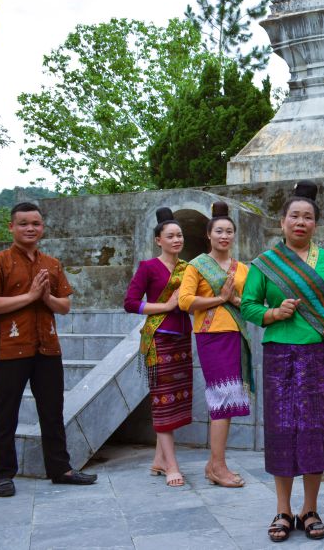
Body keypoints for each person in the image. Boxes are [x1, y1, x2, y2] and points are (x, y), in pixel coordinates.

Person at [241, 180, 324, 543]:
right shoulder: (265, 264)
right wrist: (274, 313)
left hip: (319, 357)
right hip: (279, 357)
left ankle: (309, 508)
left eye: (307, 217)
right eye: (294, 216)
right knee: (282, 433)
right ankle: (282, 510)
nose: (300, 222)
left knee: (314, 434)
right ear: (283, 221)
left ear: (315, 224)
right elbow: (248, 306)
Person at [0, 202, 97, 497]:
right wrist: (30, 295)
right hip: (10, 348)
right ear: (11, 227)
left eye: (35, 223)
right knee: (5, 413)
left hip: (48, 348)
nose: (30, 228)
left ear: (42, 227)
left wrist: (45, 298)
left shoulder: (52, 264)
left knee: (52, 411)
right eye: (23, 223)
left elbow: (65, 306)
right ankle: (3, 475)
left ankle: (61, 469)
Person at [178, 201, 253, 489]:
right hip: (211, 336)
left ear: (234, 236)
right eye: (219, 231)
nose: (224, 236)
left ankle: (215, 463)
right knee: (222, 399)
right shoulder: (196, 266)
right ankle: (218, 467)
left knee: (230, 399)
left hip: (235, 334)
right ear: (208, 235)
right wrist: (220, 299)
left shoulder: (242, 269)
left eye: (229, 231)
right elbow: (185, 302)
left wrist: (233, 300)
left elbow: (251, 304)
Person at [123, 207, 193, 487]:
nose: (177, 240)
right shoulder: (148, 268)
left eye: (180, 235)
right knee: (162, 402)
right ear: (158, 241)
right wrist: (165, 306)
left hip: (183, 339)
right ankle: (171, 466)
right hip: (159, 340)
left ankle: (157, 460)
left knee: (176, 399)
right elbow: (129, 302)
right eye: (171, 236)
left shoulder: (188, 269)